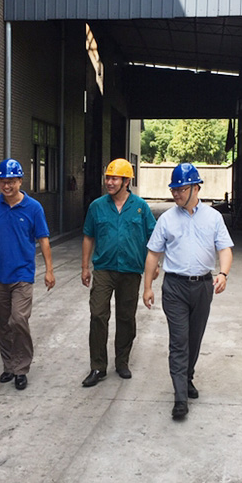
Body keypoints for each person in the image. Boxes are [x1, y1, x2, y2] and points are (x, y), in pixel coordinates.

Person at [142, 163, 233, 420]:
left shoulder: (213, 218)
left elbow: (224, 249)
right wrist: (147, 287)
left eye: (181, 189)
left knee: (194, 339)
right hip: (175, 287)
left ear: (196, 188)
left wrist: (223, 273)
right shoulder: (166, 220)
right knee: (179, 341)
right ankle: (180, 397)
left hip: (203, 286)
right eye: (174, 189)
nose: (176, 194)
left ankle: (187, 377)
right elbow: (153, 254)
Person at [80, 158, 156, 387]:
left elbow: (154, 237)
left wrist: (154, 265)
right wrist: (85, 267)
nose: (110, 182)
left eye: (115, 179)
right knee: (98, 315)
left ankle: (122, 361)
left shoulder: (141, 207)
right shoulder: (97, 206)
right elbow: (88, 236)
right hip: (104, 269)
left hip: (131, 270)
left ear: (126, 181)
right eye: (108, 178)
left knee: (126, 317)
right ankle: (98, 366)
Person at [0, 158, 55, 391]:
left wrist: (49, 271)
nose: (7, 186)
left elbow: (43, 239)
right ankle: (9, 366)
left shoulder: (33, 208)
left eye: (11, 181)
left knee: (18, 319)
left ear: (20, 181)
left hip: (22, 274)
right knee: (2, 324)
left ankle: (21, 368)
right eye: (3, 181)